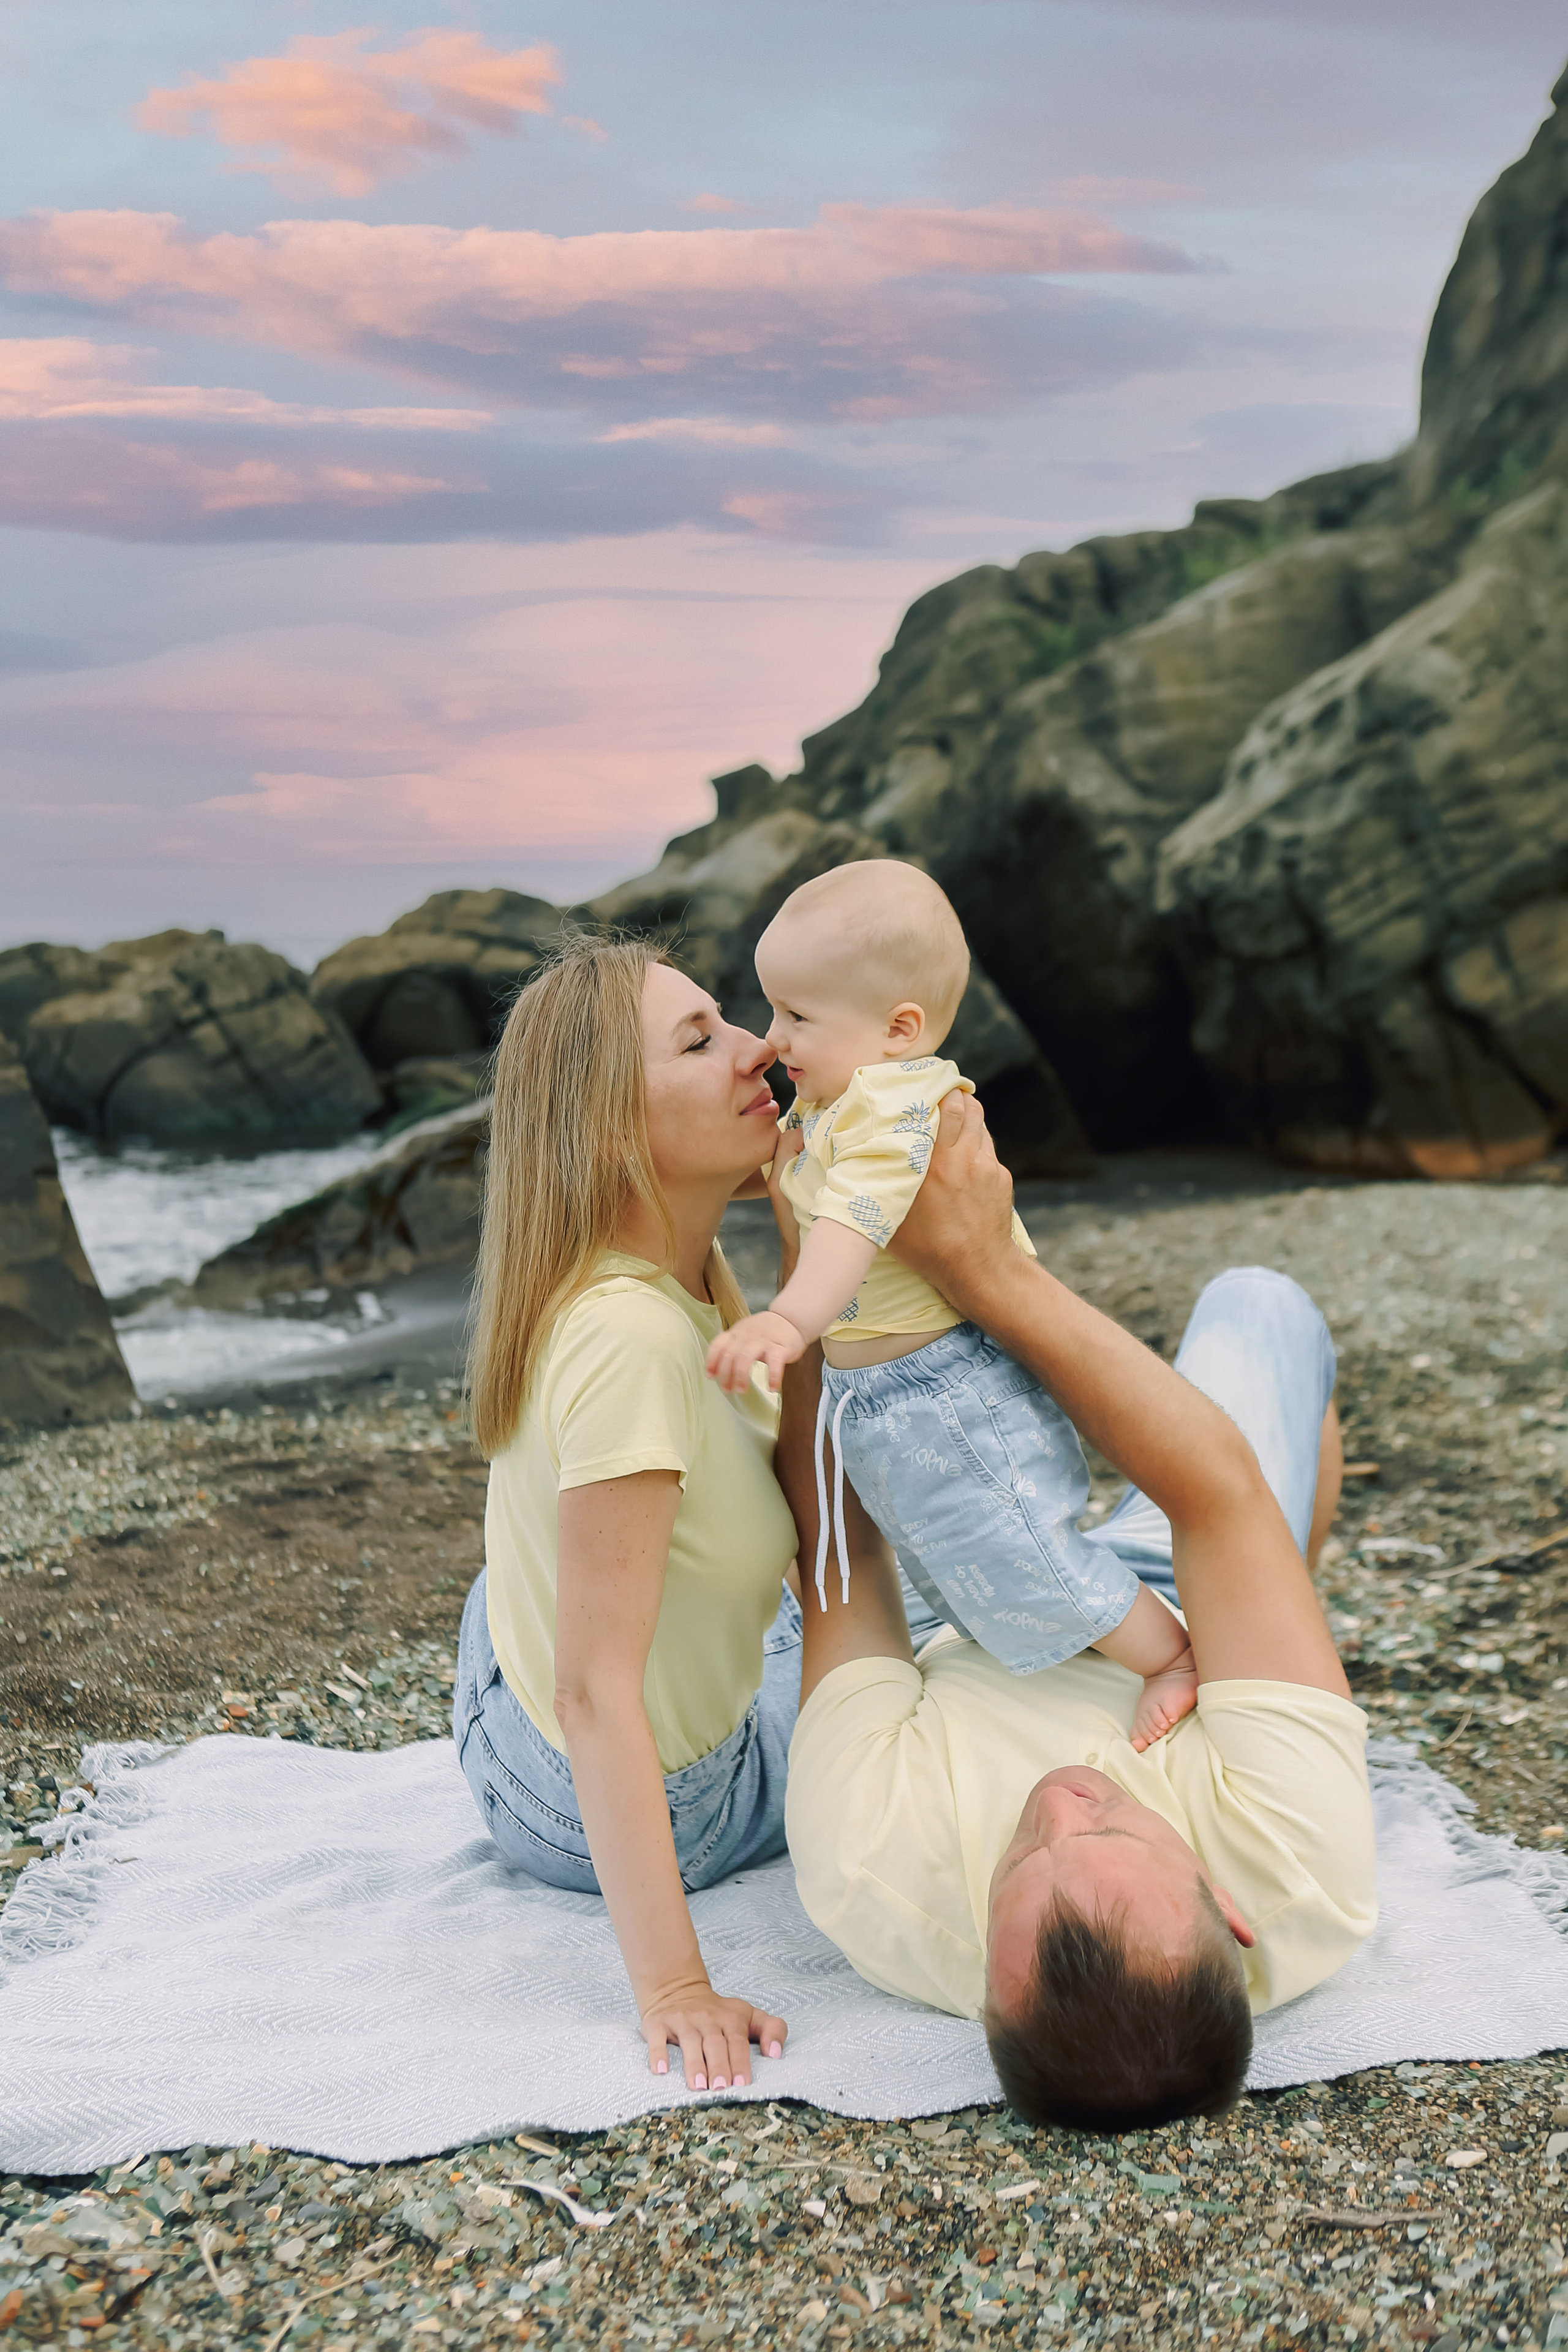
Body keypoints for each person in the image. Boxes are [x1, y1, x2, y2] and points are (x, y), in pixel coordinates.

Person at [781, 1091, 1378, 2130]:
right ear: (1230, 1914)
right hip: (1174, 1592)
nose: (1060, 1799)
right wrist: (988, 1276)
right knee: (1261, 1305)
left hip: (944, 1608)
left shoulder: (874, 1873)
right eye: (1107, 1826)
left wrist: (830, 1268)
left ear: (979, 1990)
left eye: (1020, 1857)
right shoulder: (1300, 1866)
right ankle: (1273, 1647)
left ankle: (1263, 1651)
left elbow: (845, 1562)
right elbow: (1216, 1493)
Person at [705, 860, 1197, 1752]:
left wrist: (788, 1321)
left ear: (901, 1029)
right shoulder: (842, 1099)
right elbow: (787, 1172)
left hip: (945, 1389)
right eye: (772, 1010)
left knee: (1018, 1547)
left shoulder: (897, 1111)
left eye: (798, 1016)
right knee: (957, 1567)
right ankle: (1066, 1653)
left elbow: (852, 1220)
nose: (773, 1040)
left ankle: (1171, 1656)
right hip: (888, 1396)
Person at [453, 933, 802, 2097]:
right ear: (609, 1132)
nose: (763, 1049)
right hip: (617, 1792)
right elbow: (595, 1687)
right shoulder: (632, 1335)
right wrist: (673, 1989)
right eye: (701, 1042)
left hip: (540, 1686)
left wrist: (812, 1228)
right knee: (922, 1648)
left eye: (731, 1023)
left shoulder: (689, 1279)